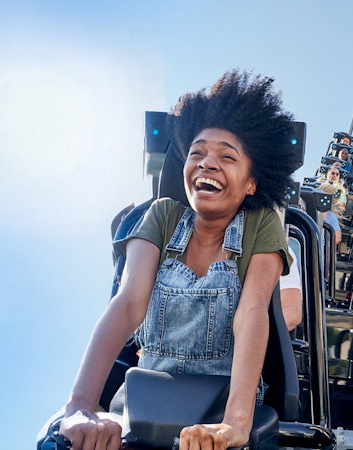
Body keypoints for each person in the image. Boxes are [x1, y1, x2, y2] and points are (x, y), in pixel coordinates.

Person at [56, 70, 298, 450]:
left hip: (223, 402)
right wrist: (81, 404)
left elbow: (252, 313)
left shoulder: (260, 223)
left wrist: (235, 423)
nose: (207, 163)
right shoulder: (163, 216)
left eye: (226, 156)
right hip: (143, 402)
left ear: (251, 183)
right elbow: (128, 304)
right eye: (197, 152)